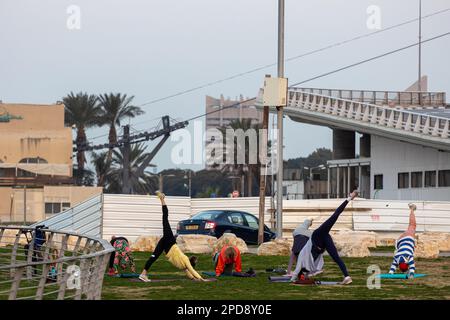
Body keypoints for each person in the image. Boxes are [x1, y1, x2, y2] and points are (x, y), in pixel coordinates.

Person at [290, 190, 359, 285]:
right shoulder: (308, 258)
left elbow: (298, 268)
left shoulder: (303, 255)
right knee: (335, 258)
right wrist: (298, 277)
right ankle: (347, 276)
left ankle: (347, 277)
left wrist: (349, 198)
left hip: (319, 235)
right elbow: (301, 269)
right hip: (322, 241)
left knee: (334, 216)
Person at [139, 192, 204, 282]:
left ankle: (143, 274)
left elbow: (191, 271)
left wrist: (200, 279)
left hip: (169, 242)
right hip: (168, 247)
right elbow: (190, 272)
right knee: (154, 256)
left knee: (165, 218)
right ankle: (143, 274)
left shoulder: (185, 261)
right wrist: (199, 279)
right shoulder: (183, 265)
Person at [389, 203, 417, 278]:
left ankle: (412, 209)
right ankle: (412, 210)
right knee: (411, 225)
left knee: (412, 225)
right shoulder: (396, 258)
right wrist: (390, 273)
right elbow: (392, 267)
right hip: (399, 242)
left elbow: (412, 266)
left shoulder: (409, 257)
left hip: (408, 238)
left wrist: (411, 274)